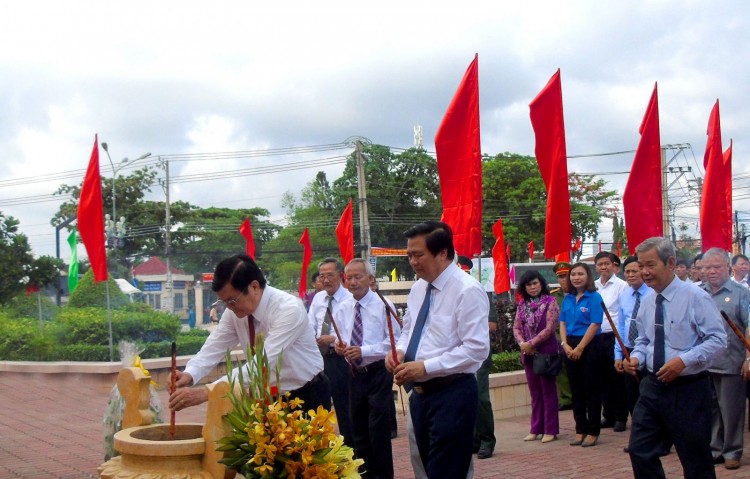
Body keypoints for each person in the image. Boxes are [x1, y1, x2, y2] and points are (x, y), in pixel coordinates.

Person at [386, 221, 489, 479]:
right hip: (420, 395)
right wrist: (399, 351)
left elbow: (476, 349)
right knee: (426, 469)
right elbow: (409, 329)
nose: (413, 262)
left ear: (442, 252)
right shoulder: (418, 288)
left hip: (452, 392)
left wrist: (425, 366)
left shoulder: (467, 290)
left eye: (418, 255)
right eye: (409, 255)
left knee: (447, 471)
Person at [169, 254, 330, 413]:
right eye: (223, 302)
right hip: (267, 396)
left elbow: (262, 364)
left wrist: (208, 392)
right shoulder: (233, 312)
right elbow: (214, 346)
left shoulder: (288, 309)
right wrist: (190, 373)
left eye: (232, 300)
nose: (229, 307)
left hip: (305, 395)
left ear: (254, 286)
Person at [623, 237, 727, 479]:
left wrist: (683, 361)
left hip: (688, 389)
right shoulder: (648, 300)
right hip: (652, 386)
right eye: (641, 266)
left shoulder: (695, 296)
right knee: (640, 450)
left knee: (695, 459)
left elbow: (718, 339)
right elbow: (644, 340)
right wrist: (636, 358)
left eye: (650, 265)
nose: (644, 272)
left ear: (670, 263)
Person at [335, 259, 400, 479]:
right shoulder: (343, 307)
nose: (352, 282)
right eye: (348, 278)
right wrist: (339, 346)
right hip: (354, 375)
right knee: (358, 430)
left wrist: (364, 351)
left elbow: (394, 343)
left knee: (378, 430)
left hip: (378, 372)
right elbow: (342, 337)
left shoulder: (383, 305)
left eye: (358, 277)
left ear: (370, 279)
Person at [701, 248, 750, 470]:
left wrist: (748, 358)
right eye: (707, 267)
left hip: (731, 362)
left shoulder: (741, 293)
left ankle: (732, 450)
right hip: (703, 363)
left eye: (716, 267)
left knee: (731, 411)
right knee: (710, 409)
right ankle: (715, 449)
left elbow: (748, 326)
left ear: (727, 268)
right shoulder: (698, 293)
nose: (711, 271)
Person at [307, 258, 355, 447]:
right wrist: (313, 338)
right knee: (320, 406)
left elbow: (352, 330)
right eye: (322, 276)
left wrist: (333, 338)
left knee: (344, 407)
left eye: (330, 275)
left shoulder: (350, 298)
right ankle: (323, 449)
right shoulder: (318, 298)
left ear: (341, 276)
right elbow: (310, 324)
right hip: (319, 359)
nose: (325, 280)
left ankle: (350, 449)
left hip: (340, 358)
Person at [560, 262, 604, 447]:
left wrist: (580, 348)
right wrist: (564, 344)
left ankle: (593, 430)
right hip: (569, 344)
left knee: (591, 389)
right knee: (576, 390)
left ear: (588, 276)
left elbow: (595, 324)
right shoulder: (568, 298)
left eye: (580, 274)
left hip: (589, 344)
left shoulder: (594, 297)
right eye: (573, 274)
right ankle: (580, 428)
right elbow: (562, 322)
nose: (576, 278)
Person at [513, 269, 560, 443]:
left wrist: (530, 344)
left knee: (548, 392)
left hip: (546, 352)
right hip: (528, 354)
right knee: (535, 393)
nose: (532, 287)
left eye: (535, 283)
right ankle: (536, 428)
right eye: (528, 285)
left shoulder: (551, 302)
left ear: (541, 284)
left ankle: (550, 429)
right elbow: (516, 327)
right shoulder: (522, 305)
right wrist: (522, 344)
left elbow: (549, 329)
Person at [614, 256, 655, 453]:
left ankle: (658, 440)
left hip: (650, 350)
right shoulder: (625, 295)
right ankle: (639, 440)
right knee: (633, 398)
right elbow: (621, 327)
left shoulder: (654, 294)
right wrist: (618, 355)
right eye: (627, 272)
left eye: (635, 271)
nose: (630, 275)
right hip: (629, 351)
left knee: (651, 397)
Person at [594, 252, 629, 432]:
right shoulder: (593, 287)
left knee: (618, 377)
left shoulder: (622, 286)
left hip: (615, 336)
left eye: (606, 263)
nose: (603, 267)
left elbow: (623, 313)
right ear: (596, 267)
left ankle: (621, 417)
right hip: (597, 336)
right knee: (602, 378)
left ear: (613, 265)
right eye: (600, 264)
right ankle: (608, 415)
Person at [552, 261, 573, 410]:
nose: (563, 279)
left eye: (565, 276)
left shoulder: (580, 293)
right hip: (559, 338)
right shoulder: (553, 296)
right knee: (562, 370)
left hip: (578, 336)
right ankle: (567, 399)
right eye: (560, 277)